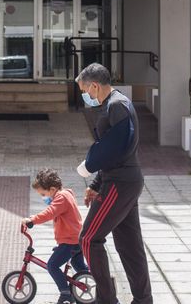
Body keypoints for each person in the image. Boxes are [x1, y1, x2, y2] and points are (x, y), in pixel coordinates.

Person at [75, 63, 152, 304]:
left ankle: (106, 300)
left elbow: (118, 146)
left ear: (95, 86)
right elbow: (119, 150)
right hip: (125, 180)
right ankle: (143, 300)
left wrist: (89, 164)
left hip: (119, 183)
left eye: (85, 91)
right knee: (130, 247)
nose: (86, 97)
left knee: (88, 239)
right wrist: (97, 183)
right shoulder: (117, 103)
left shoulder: (116, 105)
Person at [22, 168, 90, 304]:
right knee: (80, 268)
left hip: (70, 241)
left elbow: (50, 212)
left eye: (43, 194)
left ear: (52, 189)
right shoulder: (66, 194)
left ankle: (65, 294)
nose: (43, 197)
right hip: (75, 239)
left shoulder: (61, 198)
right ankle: (101, 283)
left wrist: (33, 220)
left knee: (52, 265)